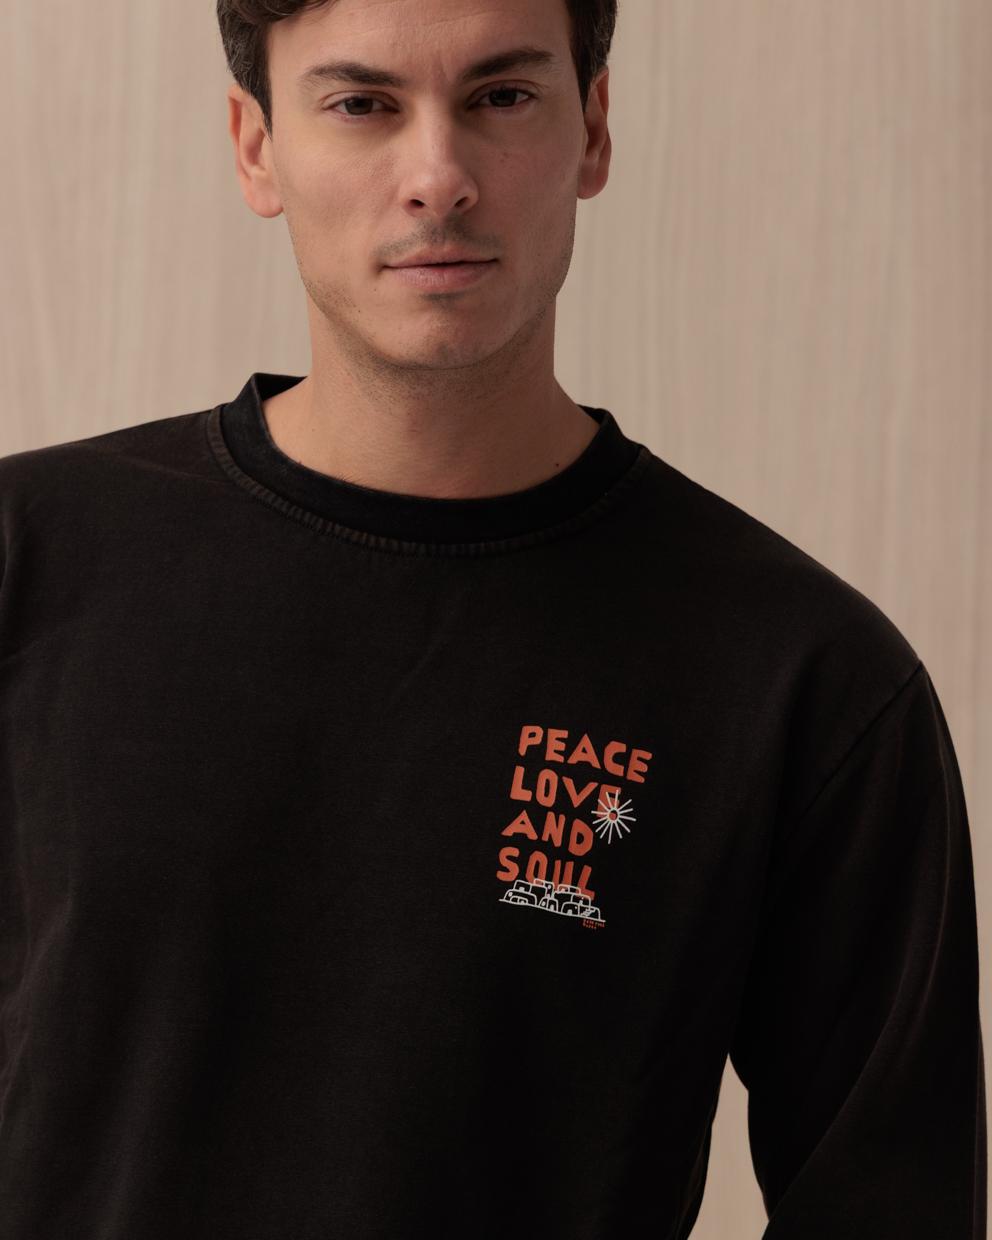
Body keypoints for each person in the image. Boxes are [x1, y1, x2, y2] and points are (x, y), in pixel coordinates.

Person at [0, 0, 984, 1236]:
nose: (438, 176)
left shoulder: (805, 682)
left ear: (593, 128)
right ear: (256, 146)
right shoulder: (28, 563)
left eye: (500, 97)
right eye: (361, 104)